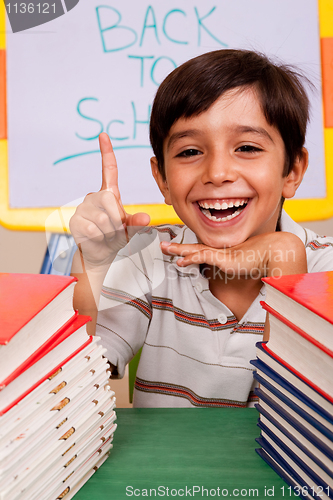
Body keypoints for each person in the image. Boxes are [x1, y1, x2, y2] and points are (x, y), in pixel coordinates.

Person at [70, 49, 333, 408]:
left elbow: (302, 419)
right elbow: (71, 382)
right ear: (162, 178)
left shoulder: (326, 269)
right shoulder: (151, 258)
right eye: (190, 152)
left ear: (293, 171)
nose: (217, 173)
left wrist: (285, 259)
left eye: (247, 147)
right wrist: (94, 265)